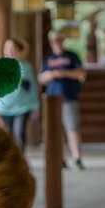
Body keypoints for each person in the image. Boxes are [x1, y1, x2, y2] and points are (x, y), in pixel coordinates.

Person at [38, 29, 87, 168]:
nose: (56, 42)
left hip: (69, 97)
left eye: (59, 39)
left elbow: (82, 74)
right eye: (54, 40)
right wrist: (51, 74)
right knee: (55, 131)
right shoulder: (47, 58)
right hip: (51, 99)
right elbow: (41, 78)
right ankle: (60, 159)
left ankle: (77, 158)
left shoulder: (72, 56)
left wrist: (64, 72)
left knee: (72, 128)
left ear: (63, 40)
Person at [0, 37, 39, 150]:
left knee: (19, 133)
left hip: (22, 107)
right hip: (4, 108)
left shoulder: (26, 66)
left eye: (13, 48)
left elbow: (31, 87)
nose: (10, 50)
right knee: (7, 136)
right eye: (7, 48)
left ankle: (20, 162)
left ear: (19, 50)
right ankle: (10, 163)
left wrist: (35, 107)